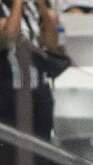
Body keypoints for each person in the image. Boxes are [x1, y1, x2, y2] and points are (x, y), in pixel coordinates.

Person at [0, 0, 59, 141]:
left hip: (39, 88)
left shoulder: (33, 7)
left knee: (43, 147)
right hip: (10, 89)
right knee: (12, 150)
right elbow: (9, 38)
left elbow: (52, 44)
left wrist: (43, 9)